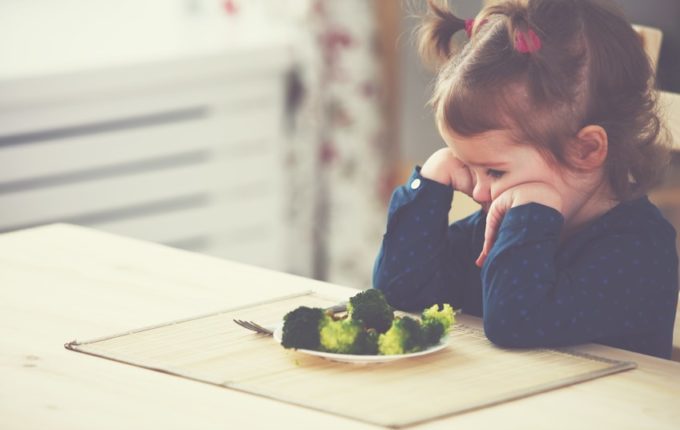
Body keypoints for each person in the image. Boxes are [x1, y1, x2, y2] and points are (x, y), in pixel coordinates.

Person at [373, 0, 679, 359]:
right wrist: (430, 182)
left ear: (586, 150)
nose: (476, 190)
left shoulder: (638, 249)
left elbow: (514, 324)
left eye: (495, 172)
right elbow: (399, 295)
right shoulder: (497, 222)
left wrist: (532, 215)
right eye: (468, 166)